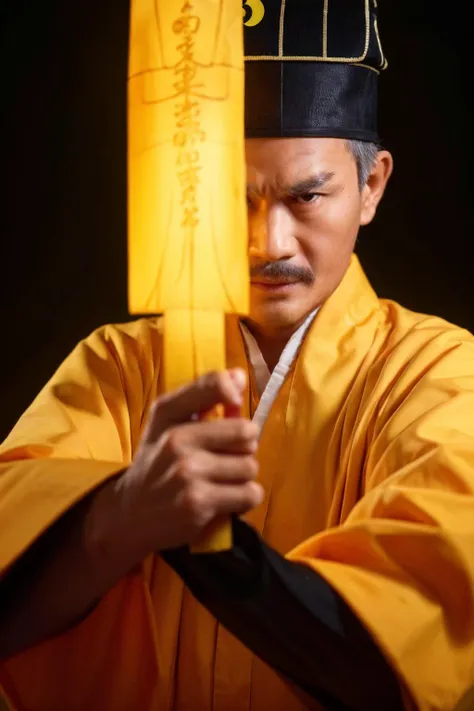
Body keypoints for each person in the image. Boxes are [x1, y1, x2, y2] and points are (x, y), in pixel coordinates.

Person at [1, 2, 474, 710]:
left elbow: (401, 646)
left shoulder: (439, 373)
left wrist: (207, 548)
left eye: (306, 194)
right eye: (232, 198)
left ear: (371, 185)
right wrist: (118, 518)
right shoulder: (116, 368)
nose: (268, 243)